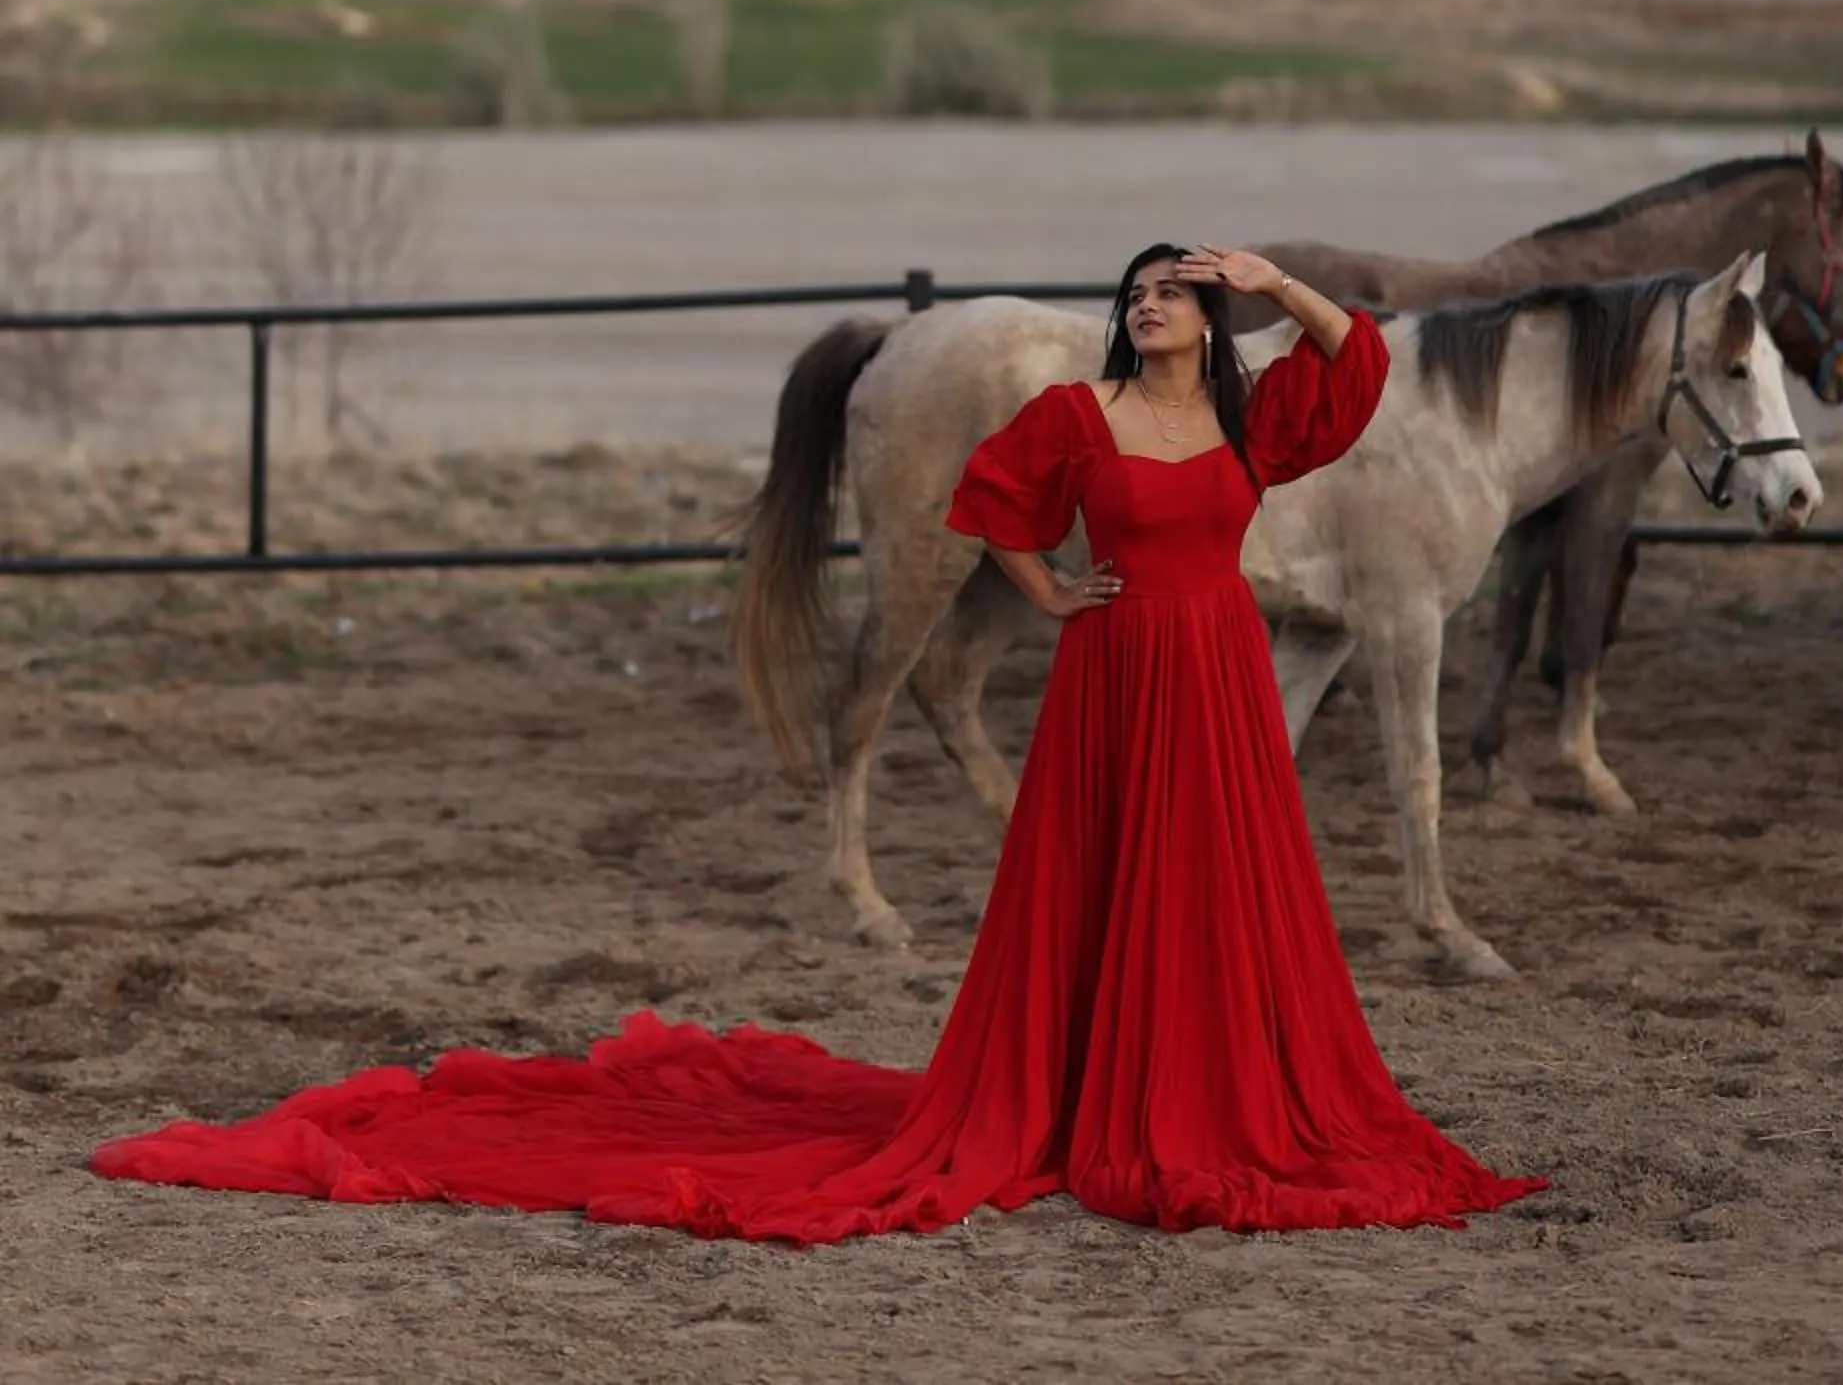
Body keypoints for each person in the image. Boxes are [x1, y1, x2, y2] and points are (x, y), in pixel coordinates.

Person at [91, 243, 1543, 1238]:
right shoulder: (1077, 409)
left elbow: (1359, 369)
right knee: (1101, 892)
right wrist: (1051, 592)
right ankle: (1093, 1091)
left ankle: (1205, 1082)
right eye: (1145, 291)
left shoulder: (1253, 417)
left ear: (1213, 317)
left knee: (1222, 895)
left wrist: (1274, 277)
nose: (1158, 304)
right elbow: (986, 507)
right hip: (1117, 675)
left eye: (1179, 291)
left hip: (1218, 671)